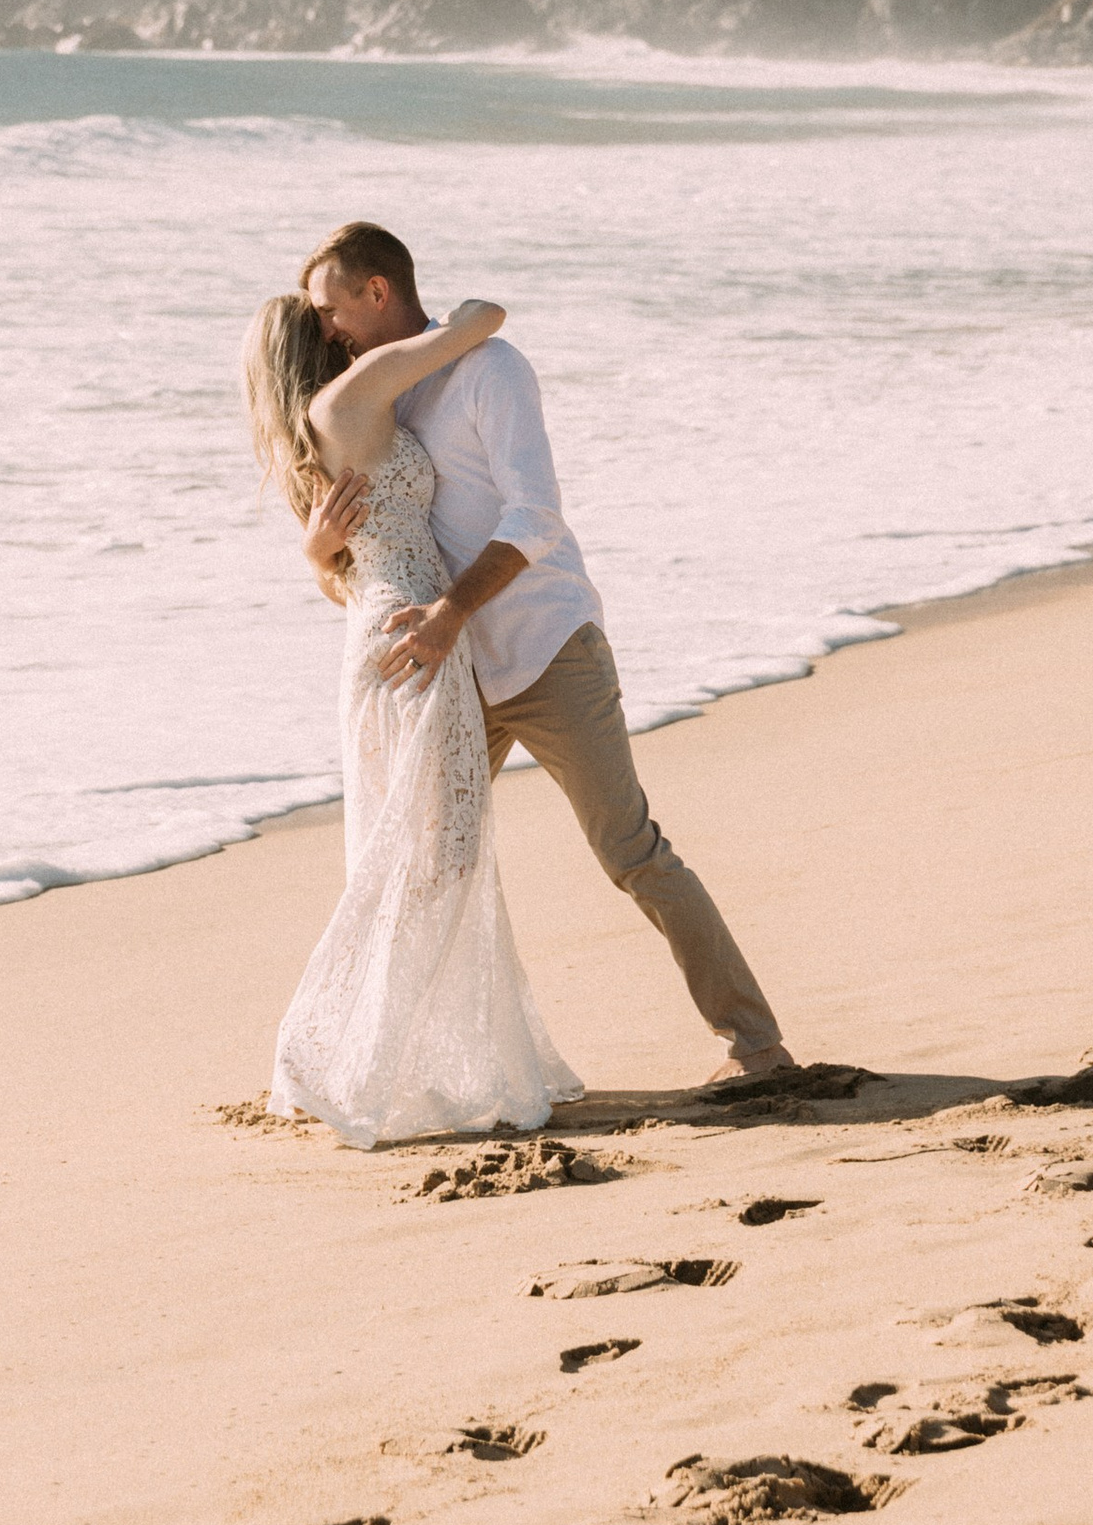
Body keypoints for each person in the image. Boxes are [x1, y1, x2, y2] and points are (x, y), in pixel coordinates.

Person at [296, 219, 793, 1089]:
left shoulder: (490, 371)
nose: (327, 330)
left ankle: (759, 1048)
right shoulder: (381, 397)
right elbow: (372, 549)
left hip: (545, 644)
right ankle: (395, 1074)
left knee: (631, 852)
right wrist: (319, 552)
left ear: (378, 291)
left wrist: (452, 609)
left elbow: (535, 515)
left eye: (333, 309)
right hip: (448, 670)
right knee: (423, 863)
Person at [241, 282, 577, 1146]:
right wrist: (451, 314)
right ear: (311, 340)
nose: (337, 322)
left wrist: (316, 553)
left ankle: (418, 1060)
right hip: (410, 638)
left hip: (387, 630)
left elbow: (341, 564)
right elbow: (480, 323)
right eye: (324, 317)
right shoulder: (351, 396)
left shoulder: (315, 426)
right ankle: (341, 1056)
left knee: (424, 853)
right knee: (437, 859)